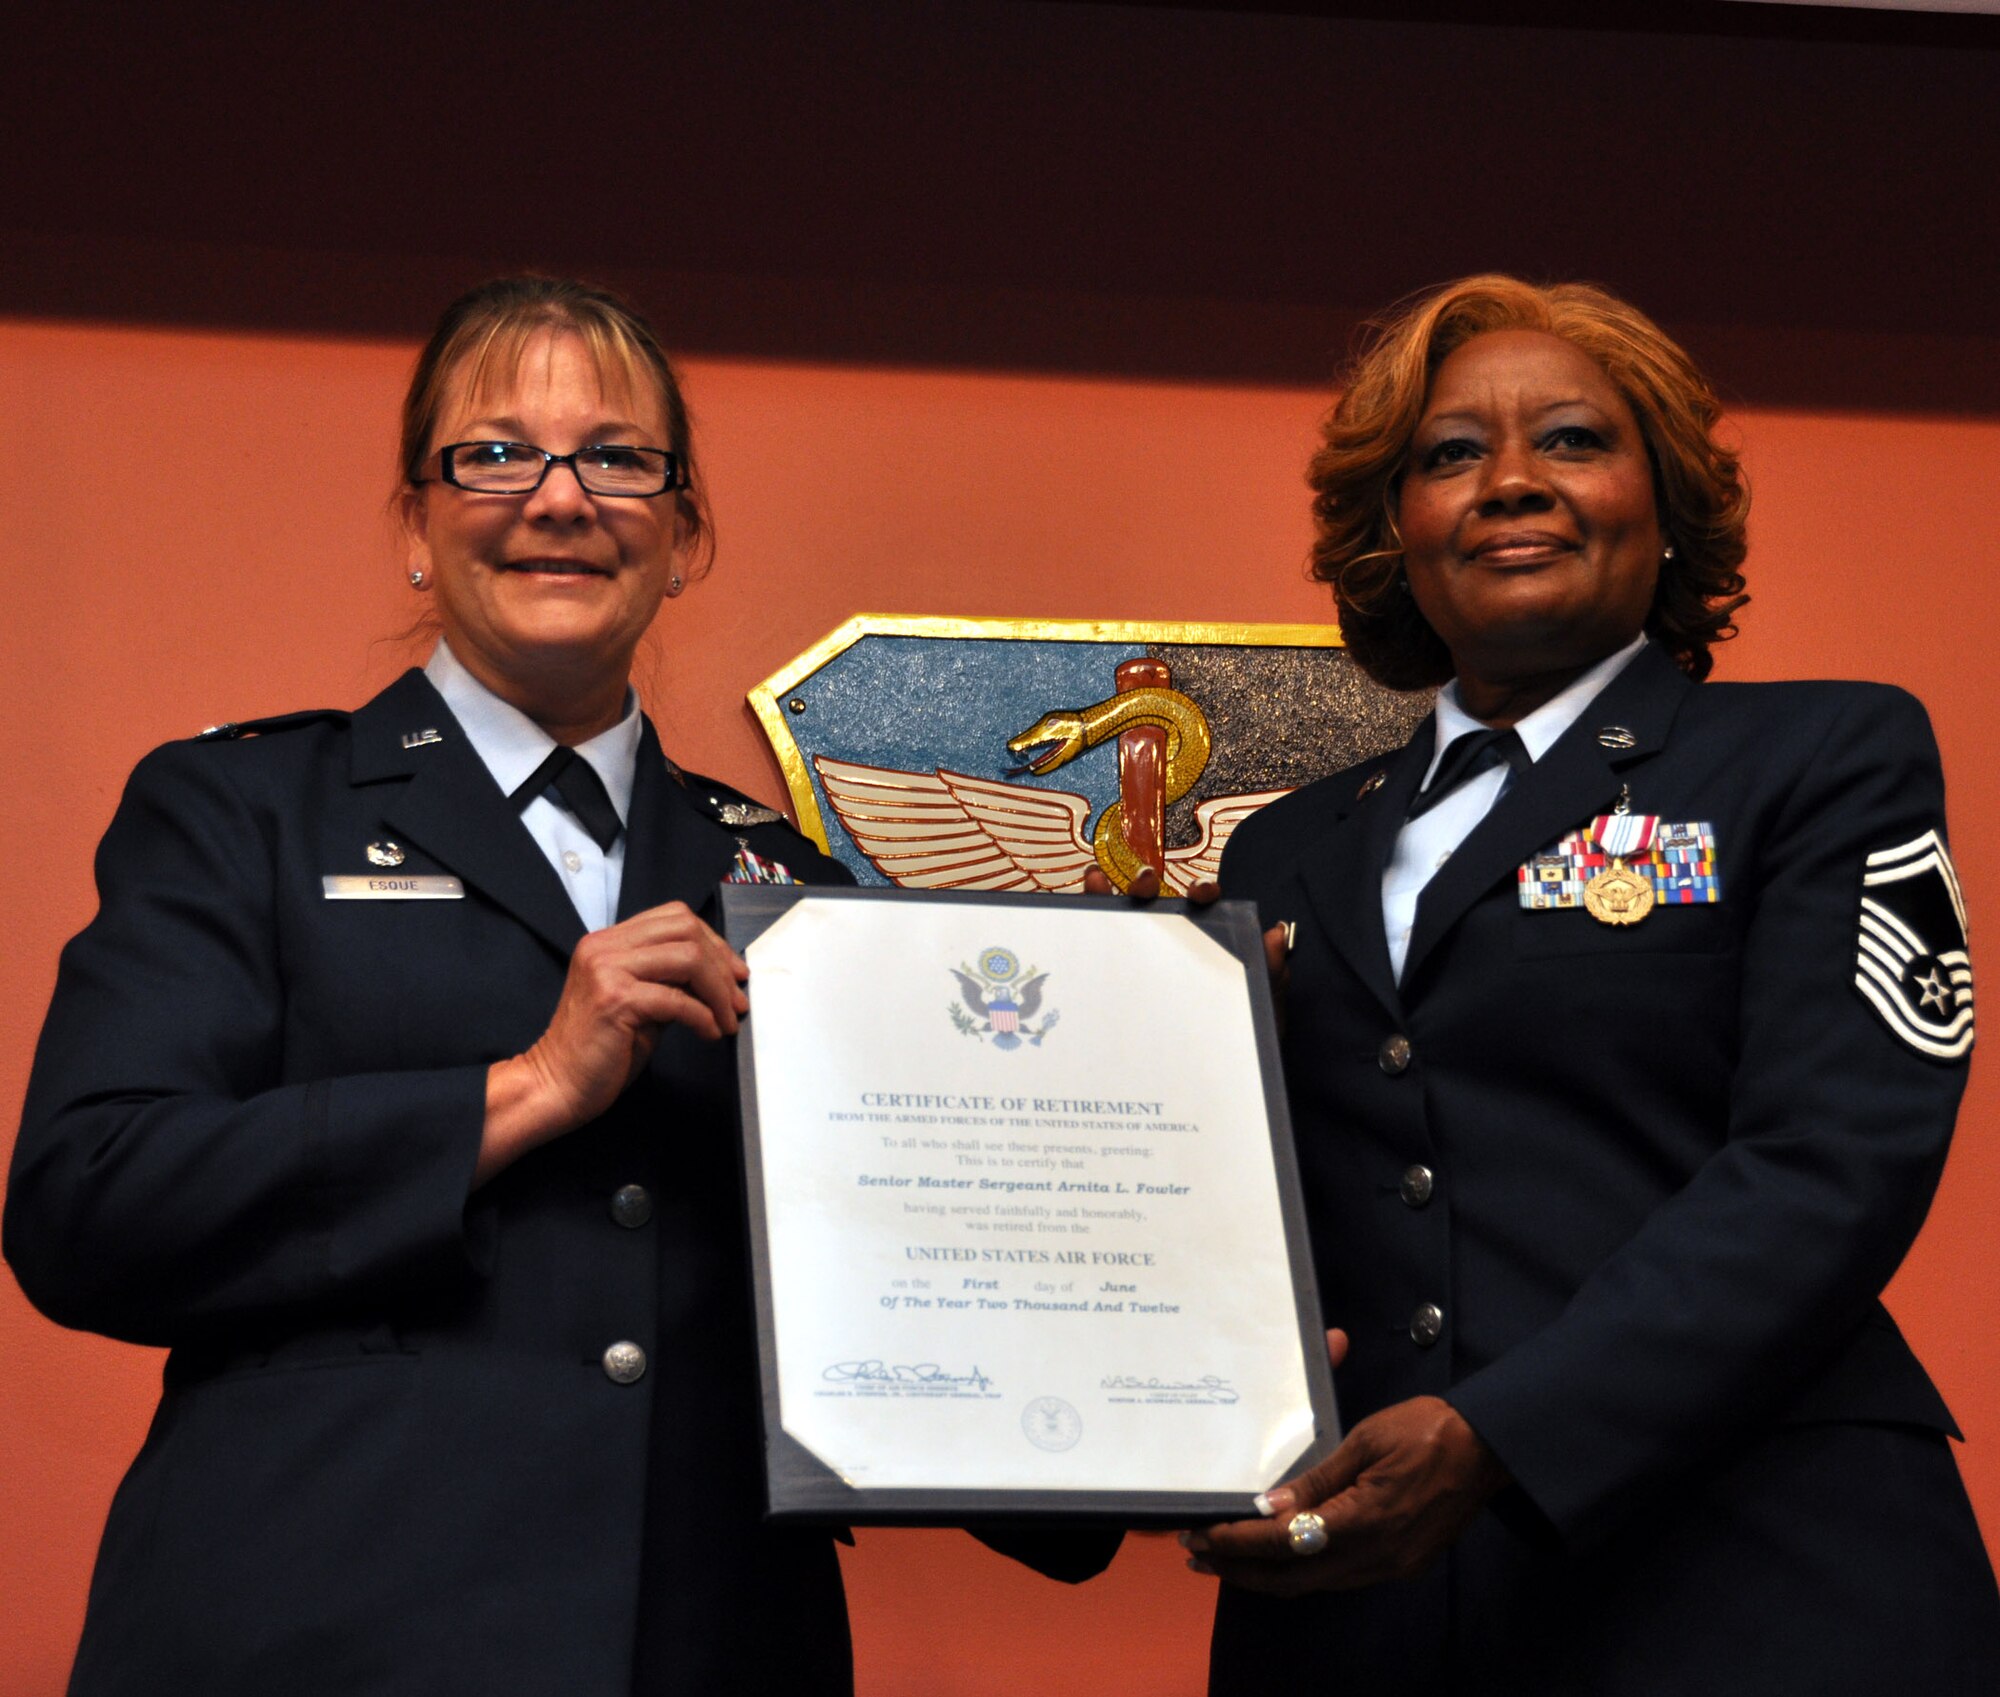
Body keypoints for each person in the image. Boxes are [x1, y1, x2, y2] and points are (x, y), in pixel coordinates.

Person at [4, 276, 1105, 1695]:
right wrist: (524, 1087)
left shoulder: (794, 890)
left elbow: (916, 1289)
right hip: (315, 1627)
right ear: (414, 521)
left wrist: (1212, 1394)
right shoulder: (244, 810)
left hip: (702, 1642)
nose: (560, 496)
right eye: (495, 452)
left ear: (684, 531)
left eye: (618, 458)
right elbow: (91, 1200)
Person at [1187, 275, 2000, 1693]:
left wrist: (1500, 1430)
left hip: (1756, 1579)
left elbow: (1829, 1164)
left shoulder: (1818, 760)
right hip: (1364, 1604)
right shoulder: (1284, 846)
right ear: (1394, 532)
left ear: (1666, 498)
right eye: (1449, 455)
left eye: (1571, 440)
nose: (1511, 482)